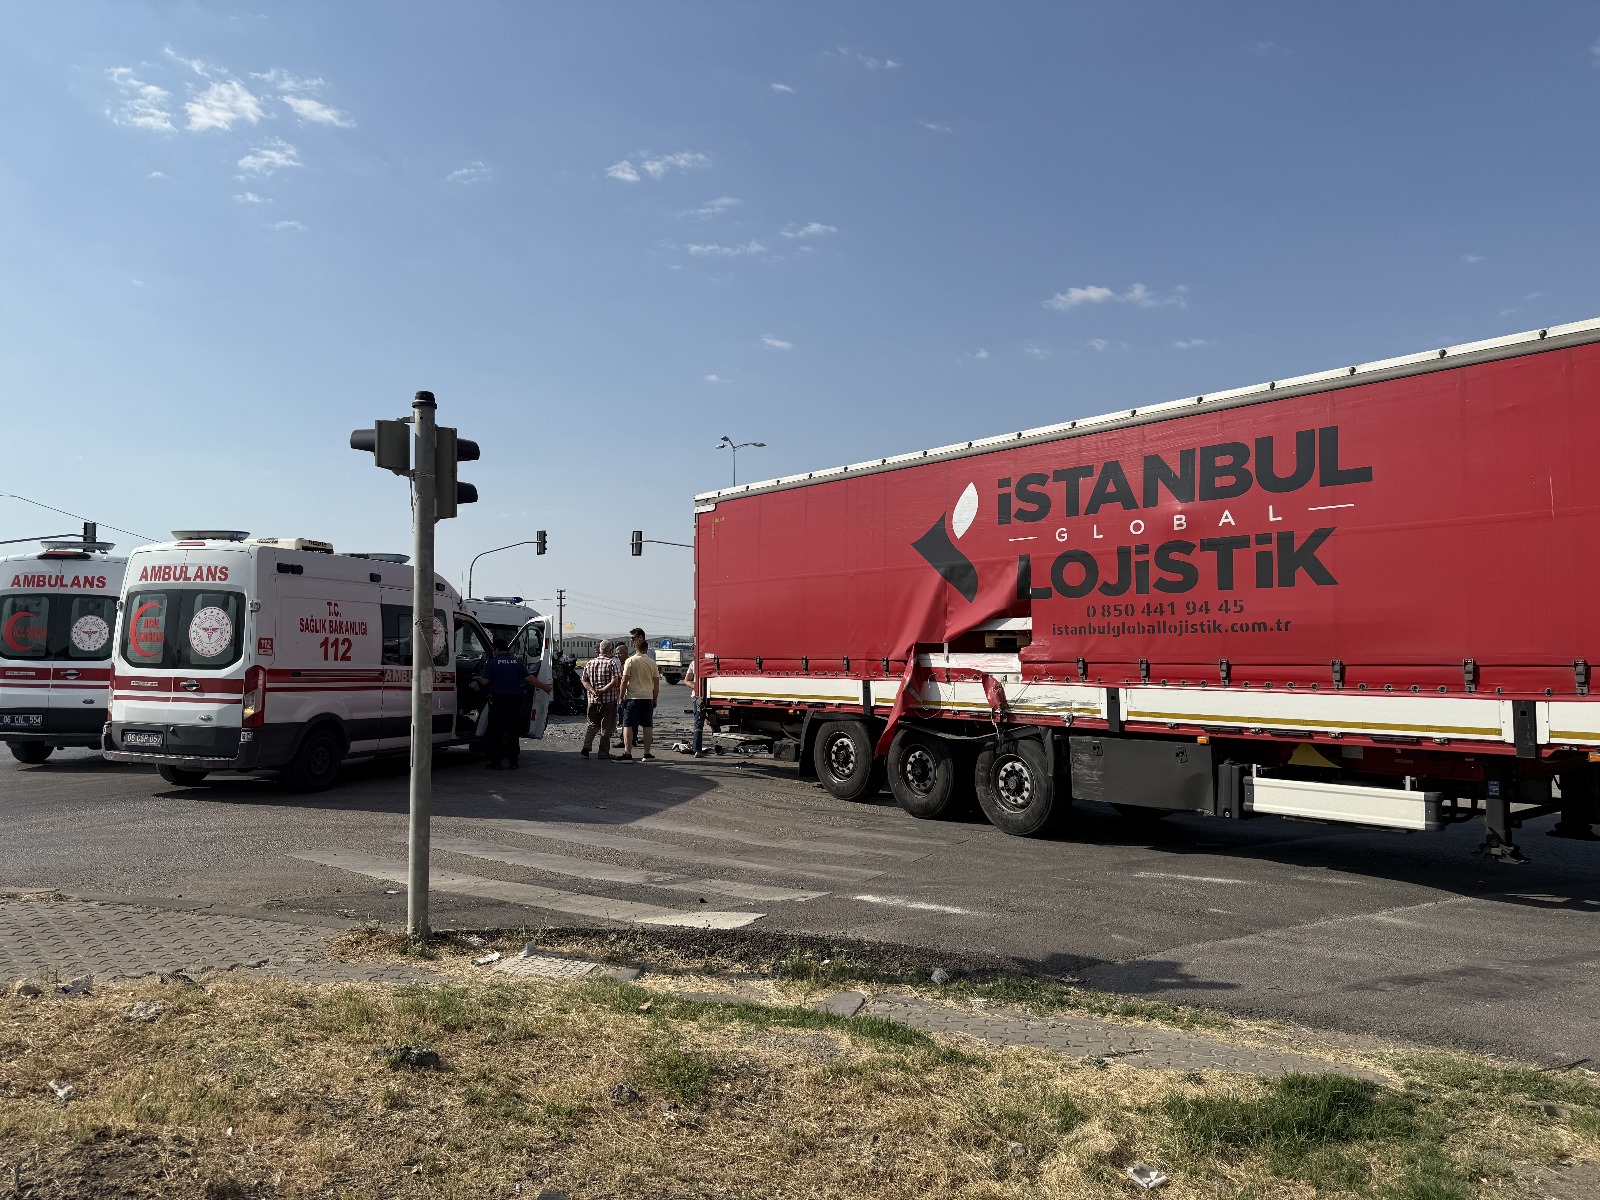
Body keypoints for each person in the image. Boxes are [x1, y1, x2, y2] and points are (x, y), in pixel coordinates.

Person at [477, 635, 550, 770]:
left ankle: (496, 762)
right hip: (514, 702)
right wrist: (545, 687)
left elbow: (485, 682)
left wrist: (477, 679)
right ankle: (513, 762)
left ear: (497, 649)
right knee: (513, 732)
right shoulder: (516, 662)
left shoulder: (492, 662)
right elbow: (530, 679)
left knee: (496, 732)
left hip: (498, 702)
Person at [618, 626, 660, 761]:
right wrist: (654, 698)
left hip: (632, 697)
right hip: (647, 697)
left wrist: (621, 696)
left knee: (628, 725)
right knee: (647, 726)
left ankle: (628, 753)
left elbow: (624, 680)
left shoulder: (630, 660)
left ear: (636, 647)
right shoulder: (652, 662)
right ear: (646, 649)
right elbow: (657, 683)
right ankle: (647, 753)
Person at [579, 639, 622, 759]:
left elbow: (583, 680)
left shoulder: (590, 663)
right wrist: (603, 690)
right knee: (605, 727)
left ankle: (586, 747)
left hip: (592, 700)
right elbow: (615, 681)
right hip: (608, 700)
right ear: (610, 650)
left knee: (592, 724)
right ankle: (603, 752)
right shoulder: (611, 663)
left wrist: (592, 691)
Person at [683, 657, 707, 756]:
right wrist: (697, 687)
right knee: (713, 723)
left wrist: (695, 687)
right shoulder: (695, 663)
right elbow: (687, 680)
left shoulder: (695, 662)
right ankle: (717, 749)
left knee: (699, 722)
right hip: (700, 696)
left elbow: (687, 680)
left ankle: (698, 749)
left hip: (700, 696)